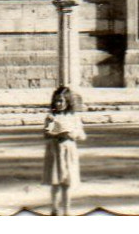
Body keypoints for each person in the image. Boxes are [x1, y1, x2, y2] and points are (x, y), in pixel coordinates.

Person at [42, 86, 87, 216]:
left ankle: (67, 211)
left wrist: (73, 134)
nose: (59, 104)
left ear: (68, 101)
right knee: (55, 182)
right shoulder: (51, 117)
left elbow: (82, 135)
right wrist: (53, 133)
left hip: (68, 151)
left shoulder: (73, 117)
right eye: (56, 101)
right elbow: (46, 134)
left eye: (61, 101)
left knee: (67, 182)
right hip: (55, 151)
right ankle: (54, 209)